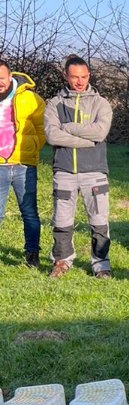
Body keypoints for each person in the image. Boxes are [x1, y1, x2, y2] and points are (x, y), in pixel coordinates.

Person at [43, 54, 114, 279]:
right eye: (75, 77)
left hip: (95, 172)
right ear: (66, 76)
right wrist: (86, 140)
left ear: (89, 76)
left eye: (84, 76)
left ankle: (101, 263)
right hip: (64, 171)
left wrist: (69, 127)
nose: (80, 81)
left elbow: (100, 132)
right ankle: (62, 260)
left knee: (99, 221)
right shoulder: (54, 104)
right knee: (62, 221)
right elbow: (52, 135)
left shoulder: (100, 103)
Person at [0, 60, 45, 267]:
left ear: (10, 76)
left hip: (24, 165)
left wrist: (33, 148)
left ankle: (32, 254)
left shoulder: (31, 99)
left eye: (1, 78)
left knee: (29, 213)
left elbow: (43, 128)